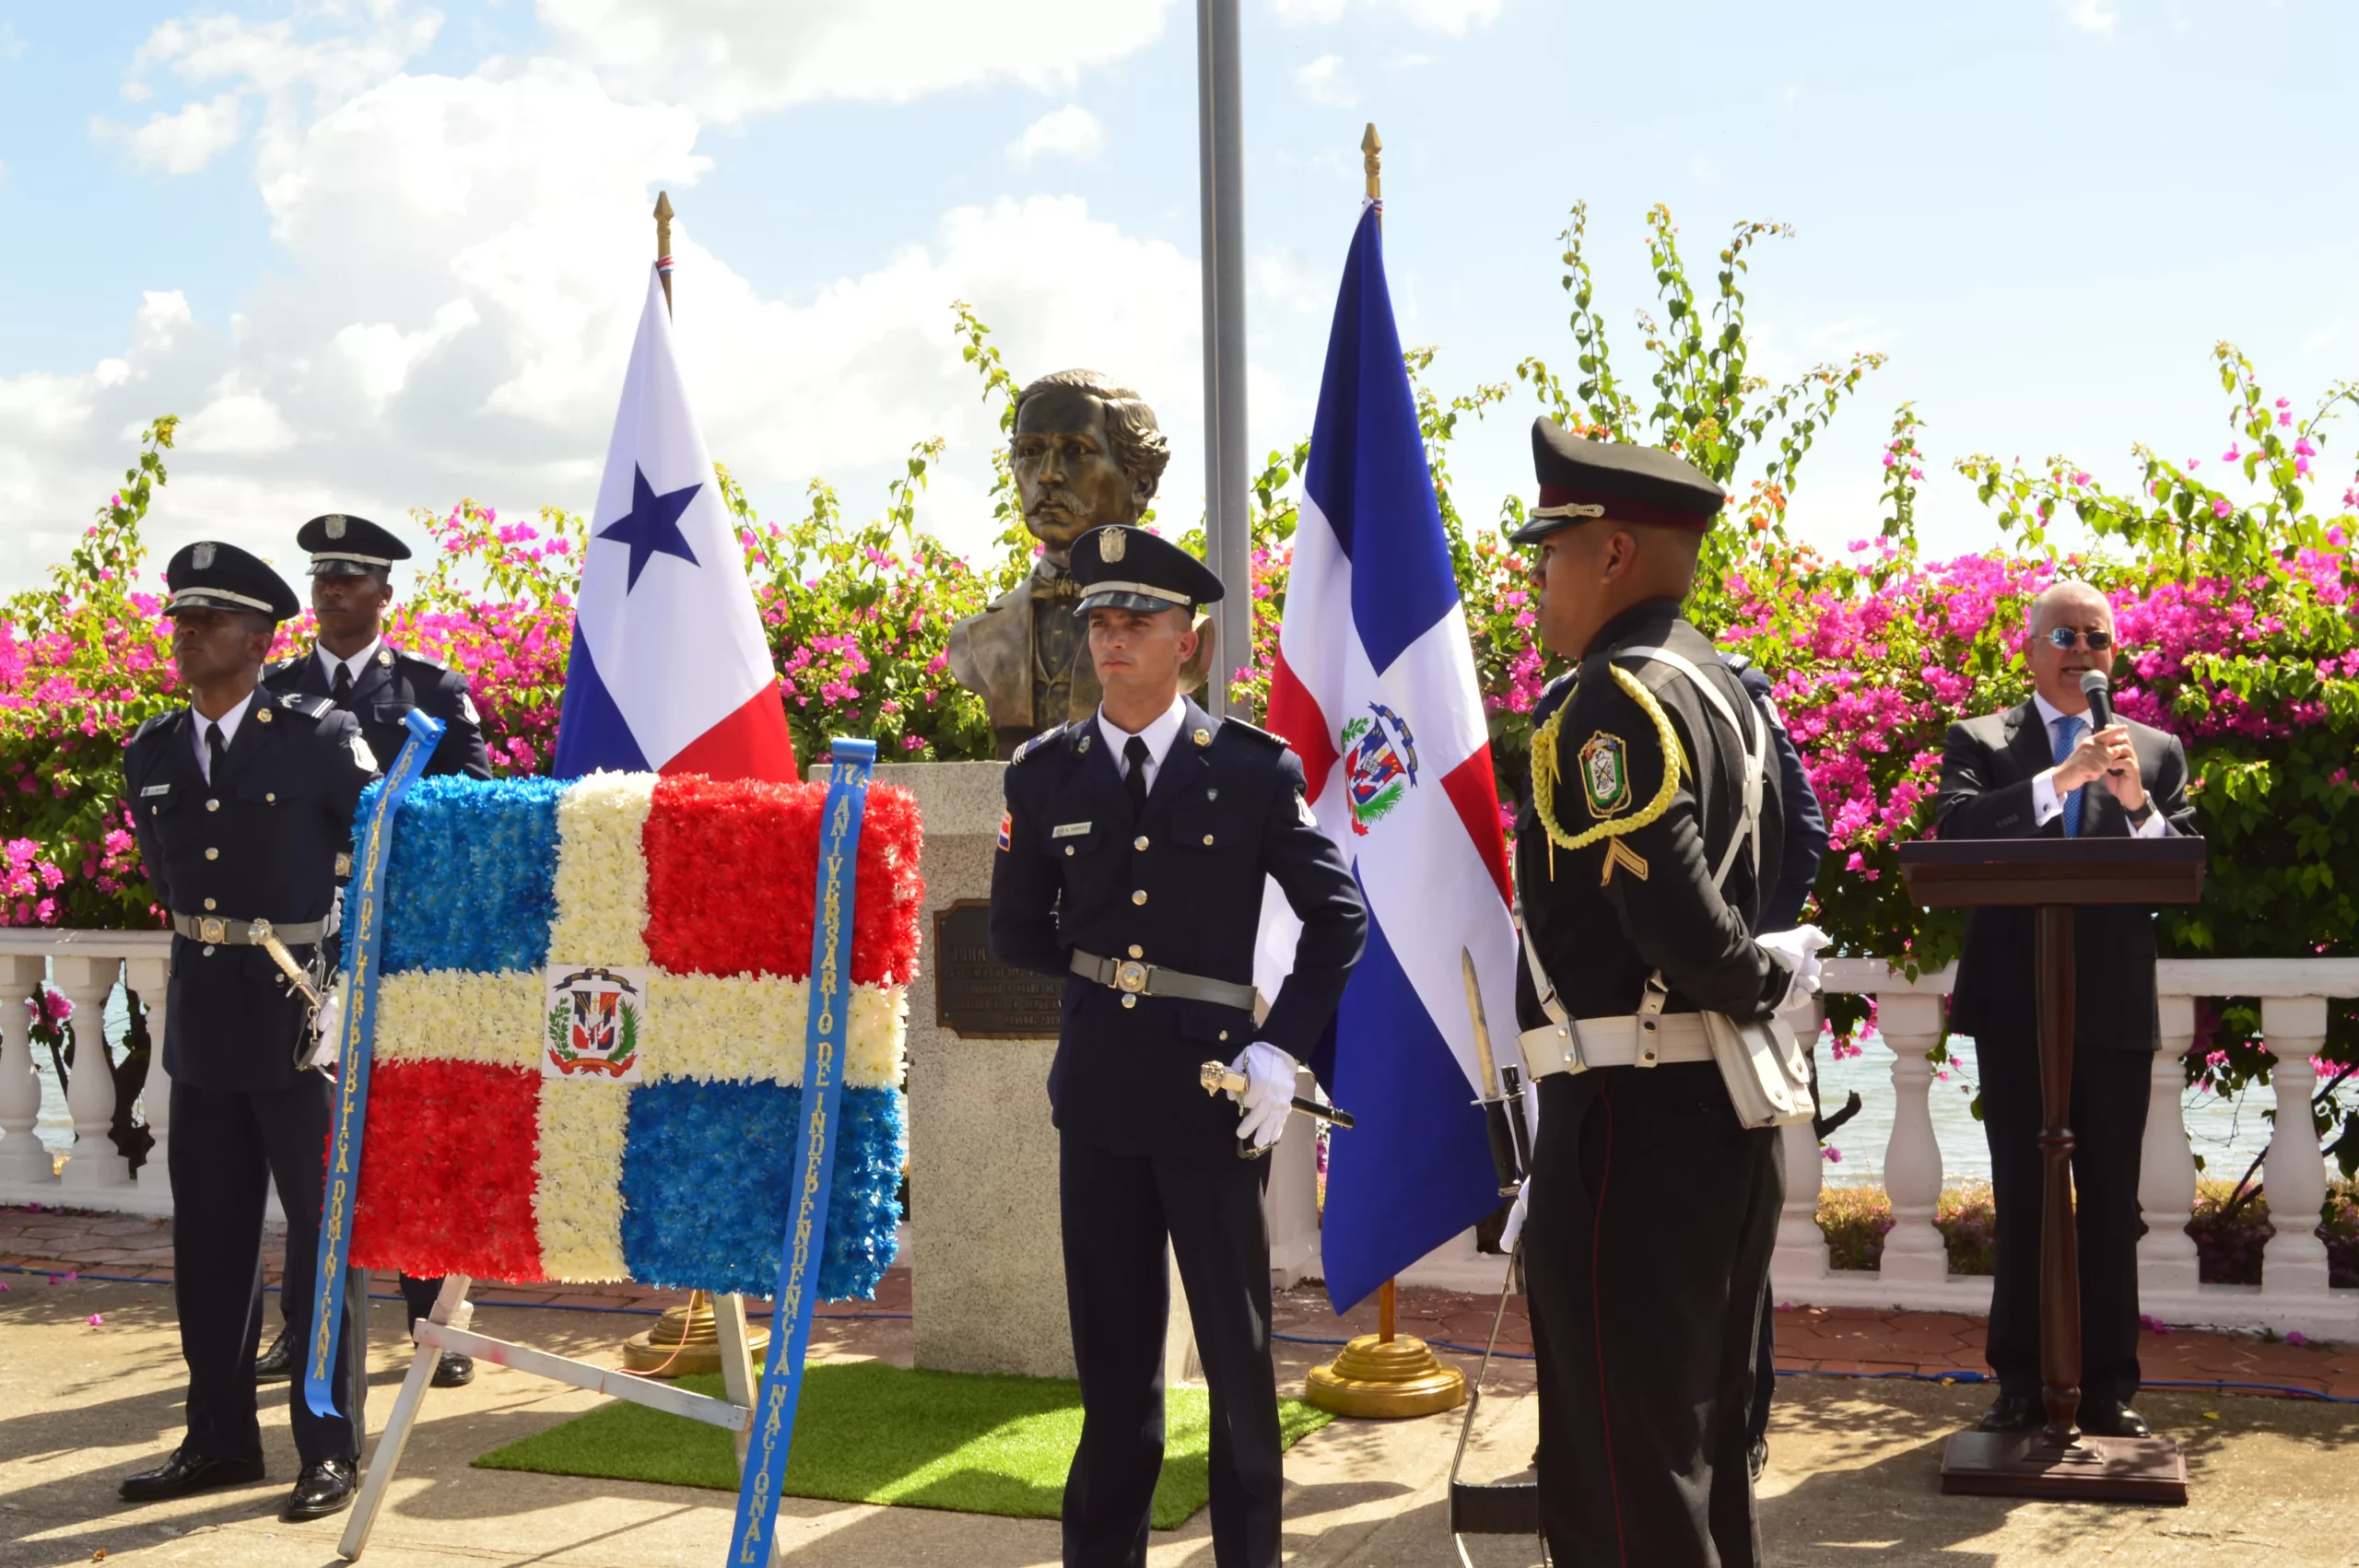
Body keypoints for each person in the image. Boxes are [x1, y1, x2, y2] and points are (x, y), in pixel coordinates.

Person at [989, 524, 1366, 1568]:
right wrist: (1108, 965)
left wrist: (1279, 1049)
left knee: (1241, 1377)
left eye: (1136, 623)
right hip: (1102, 1103)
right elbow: (1014, 932)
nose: (1111, 642)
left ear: (1187, 644)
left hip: (1211, 1099)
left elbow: (1339, 918)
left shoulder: (1248, 769)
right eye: (1100, 623)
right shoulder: (1045, 775)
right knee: (1113, 1382)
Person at [1508, 418, 1826, 1566]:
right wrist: (1764, 971)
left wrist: (1743, 974)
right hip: (1720, 1117)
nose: (1536, 579)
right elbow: (1786, 867)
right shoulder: (1731, 694)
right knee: (1703, 1449)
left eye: (1553, 550)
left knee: (1620, 1467)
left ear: (1612, 553)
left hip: (1630, 1130)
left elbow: (1676, 910)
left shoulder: (1610, 697)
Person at [117, 541, 377, 1522]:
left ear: (260, 638)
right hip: (206, 1023)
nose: (184, 635)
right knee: (211, 1244)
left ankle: (329, 1447)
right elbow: (170, 883)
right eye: (179, 618)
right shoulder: (150, 748)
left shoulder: (317, 736)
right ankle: (220, 1439)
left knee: (321, 1239)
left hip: (301, 1022)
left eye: (206, 620)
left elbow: (382, 852)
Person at [1933, 579, 2196, 1439]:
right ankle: (2017, 1383)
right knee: (2025, 1194)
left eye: (2098, 639)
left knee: (2110, 1198)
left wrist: (2133, 802)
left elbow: (2183, 870)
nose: (2083, 651)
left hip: (2113, 1005)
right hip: (2018, 1006)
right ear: (2032, 648)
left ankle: (2111, 1385)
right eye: (2066, 636)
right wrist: (2060, 777)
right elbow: (1958, 833)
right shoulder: (1980, 740)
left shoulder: (2156, 752)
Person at [254, 511, 489, 1390]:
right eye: (322, 577)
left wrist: (391, 822)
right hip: (307, 948)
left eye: (351, 578)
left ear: (386, 593)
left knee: (411, 1130)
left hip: (401, 941)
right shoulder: (275, 693)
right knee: (308, 1145)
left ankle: (438, 1323)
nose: (332, 591)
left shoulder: (431, 690)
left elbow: (474, 800)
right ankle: (305, 1327)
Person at [1722, 649, 1829, 1483]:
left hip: (1729, 1010)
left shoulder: (1742, 690)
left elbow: (1805, 831)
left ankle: (1742, 1428)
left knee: (1738, 1241)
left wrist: (1753, 942)